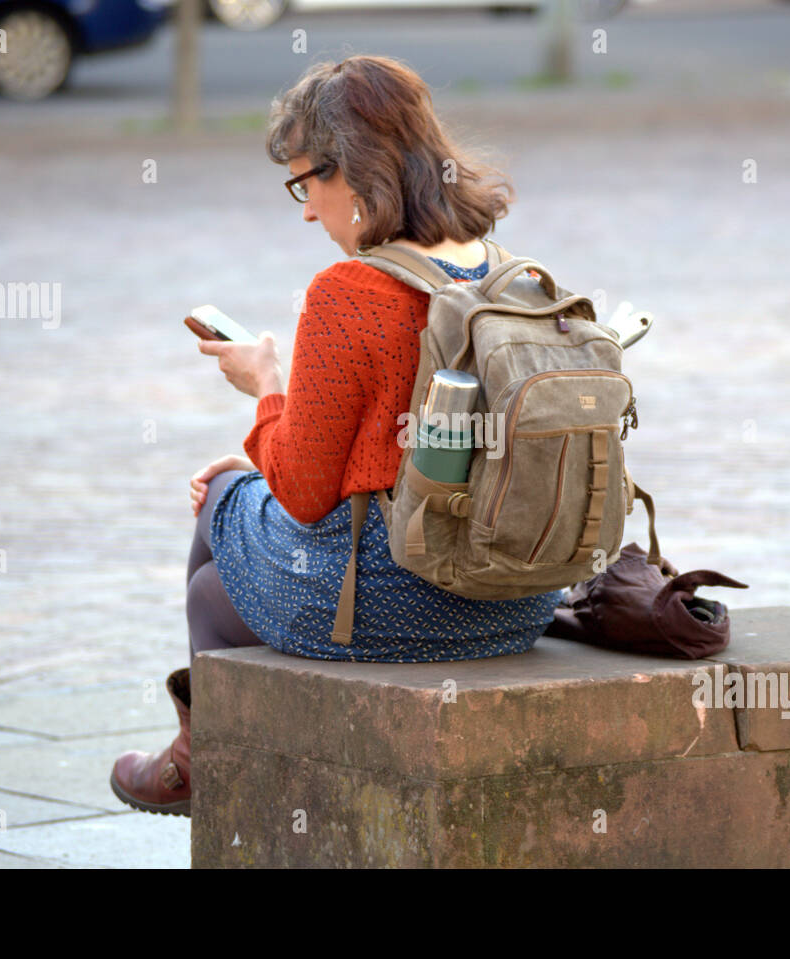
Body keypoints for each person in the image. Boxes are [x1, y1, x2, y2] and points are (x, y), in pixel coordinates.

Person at [110, 55, 564, 817]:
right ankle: (208, 761)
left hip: (397, 599)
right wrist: (266, 441)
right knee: (228, 531)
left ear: (355, 171)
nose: (306, 210)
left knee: (215, 535)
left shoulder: (350, 291)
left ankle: (211, 775)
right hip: (521, 594)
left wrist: (266, 387)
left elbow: (306, 490)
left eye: (306, 182)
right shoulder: (510, 274)